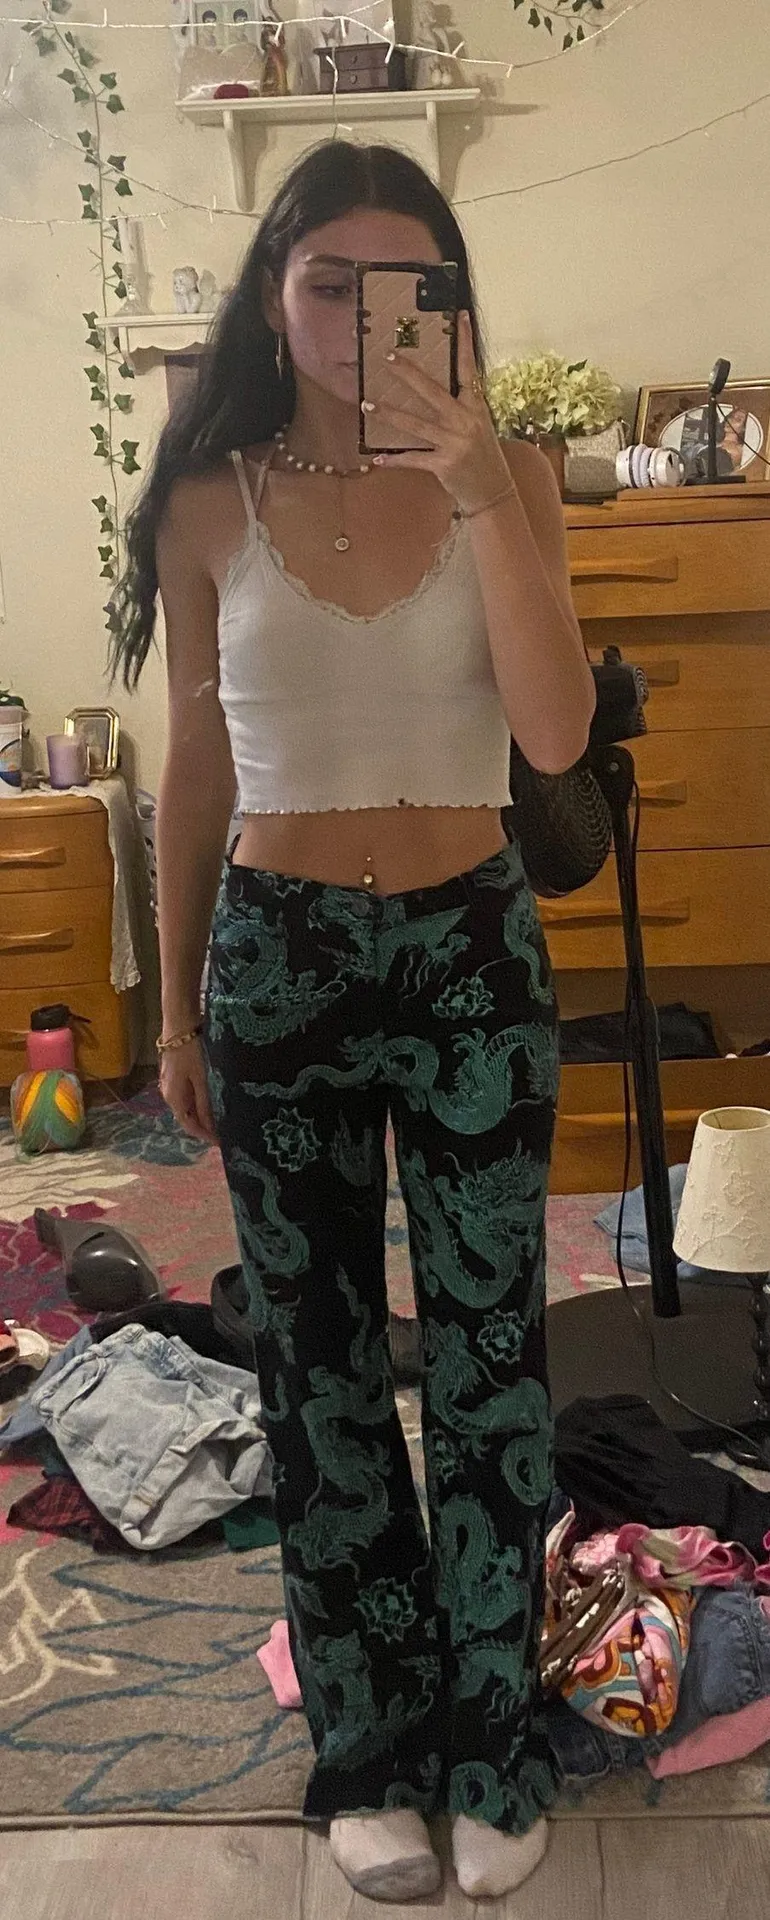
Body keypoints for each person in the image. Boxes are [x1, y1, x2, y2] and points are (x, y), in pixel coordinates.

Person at [110, 140, 595, 1904]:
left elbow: (553, 737)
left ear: (449, 307)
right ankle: (367, 1744)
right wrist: (176, 1009)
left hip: (471, 954)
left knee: (486, 1357)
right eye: (328, 282)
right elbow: (197, 761)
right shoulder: (203, 497)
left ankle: (488, 1734)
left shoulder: (508, 476)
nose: (359, 320)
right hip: (279, 960)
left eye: (410, 287)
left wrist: (478, 491)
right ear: (272, 294)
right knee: (315, 1367)